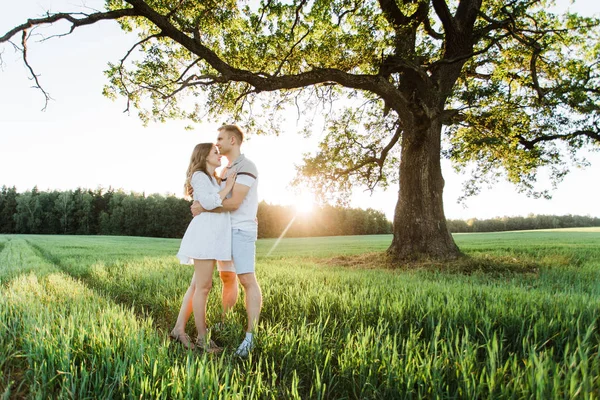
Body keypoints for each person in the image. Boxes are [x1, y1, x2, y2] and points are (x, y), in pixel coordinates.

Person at [191, 124, 262, 357]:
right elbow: (214, 196)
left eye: (220, 138)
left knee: (246, 279)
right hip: (224, 231)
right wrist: (204, 203)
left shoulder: (246, 166)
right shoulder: (224, 170)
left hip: (241, 230)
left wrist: (204, 207)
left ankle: (250, 336)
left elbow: (234, 203)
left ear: (233, 140)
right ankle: (226, 319)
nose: (217, 143)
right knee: (226, 278)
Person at [170, 142, 236, 352]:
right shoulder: (198, 176)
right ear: (204, 156)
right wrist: (228, 187)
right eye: (215, 153)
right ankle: (202, 338)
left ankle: (178, 330)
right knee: (204, 287)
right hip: (205, 236)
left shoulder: (213, 179)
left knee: (197, 286)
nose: (220, 156)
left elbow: (214, 203)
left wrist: (224, 186)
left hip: (213, 235)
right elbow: (208, 203)